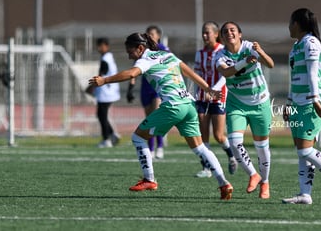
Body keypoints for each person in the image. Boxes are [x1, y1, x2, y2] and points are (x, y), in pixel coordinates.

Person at [88, 32, 234, 200]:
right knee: (200, 148)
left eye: (130, 51)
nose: (128, 55)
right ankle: (224, 183)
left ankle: (149, 179)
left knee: (137, 137)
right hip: (188, 105)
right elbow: (189, 73)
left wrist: (104, 81)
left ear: (141, 48)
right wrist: (208, 88)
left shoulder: (144, 60)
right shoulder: (167, 55)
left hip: (173, 107)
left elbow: (131, 74)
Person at [282, 8, 321, 205]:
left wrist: (315, 99)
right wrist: (289, 102)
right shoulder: (296, 46)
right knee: (302, 150)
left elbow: (312, 72)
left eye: (290, 22)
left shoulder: (312, 43)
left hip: (311, 101)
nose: (289, 26)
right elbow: (294, 77)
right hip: (298, 102)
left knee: (305, 150)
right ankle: (305, 194)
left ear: (297, 24)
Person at [215, 21, 274, 199]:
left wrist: (261, 51)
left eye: (232, 30)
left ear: (240, 34)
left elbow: (270, 64)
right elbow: (227, 73)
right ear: (222, 37)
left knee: (262, 147)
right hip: (237, 103)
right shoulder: (219, 54)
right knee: (234, 142)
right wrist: (245, 61)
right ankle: (253, 174)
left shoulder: (250, 47)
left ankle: (265, 182)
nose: (229, 33)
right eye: (225, 31)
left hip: (260, 102)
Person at [194, 21, 237, 178]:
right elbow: (197, 74)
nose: (205, 36)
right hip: (202, 96)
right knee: (202, 134)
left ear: (216, 33)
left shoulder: (223, 51)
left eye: (208, 32)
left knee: (219, 136)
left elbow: (226, 76)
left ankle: (232, 157)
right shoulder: (200, 53)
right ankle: (206, 168)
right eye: (203, 33)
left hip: (219, 96)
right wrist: (199, 91)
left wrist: (213, 91)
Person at [127, 25, 170, 159]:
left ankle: (160, 146)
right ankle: (151, 149)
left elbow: (171, 65)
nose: (149, 36)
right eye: (147, 34)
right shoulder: (142, 50)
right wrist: (130, 87)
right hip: (145, 89)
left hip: (157, 89)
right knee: (149, 120)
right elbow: (134, 69)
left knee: (156, 117)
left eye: (152, 34)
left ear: (158, 36)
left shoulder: (162, 49)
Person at [94, 37, 121, 148]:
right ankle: (112, 134)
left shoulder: (105, 59)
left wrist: (91, 87)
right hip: (109, 91)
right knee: (101, 115)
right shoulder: (108, 57)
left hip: (106, 92)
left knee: (102, 115)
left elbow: (102, 74)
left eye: (100, 45)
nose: (98, 48)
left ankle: (107, 139)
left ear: (106, 46)